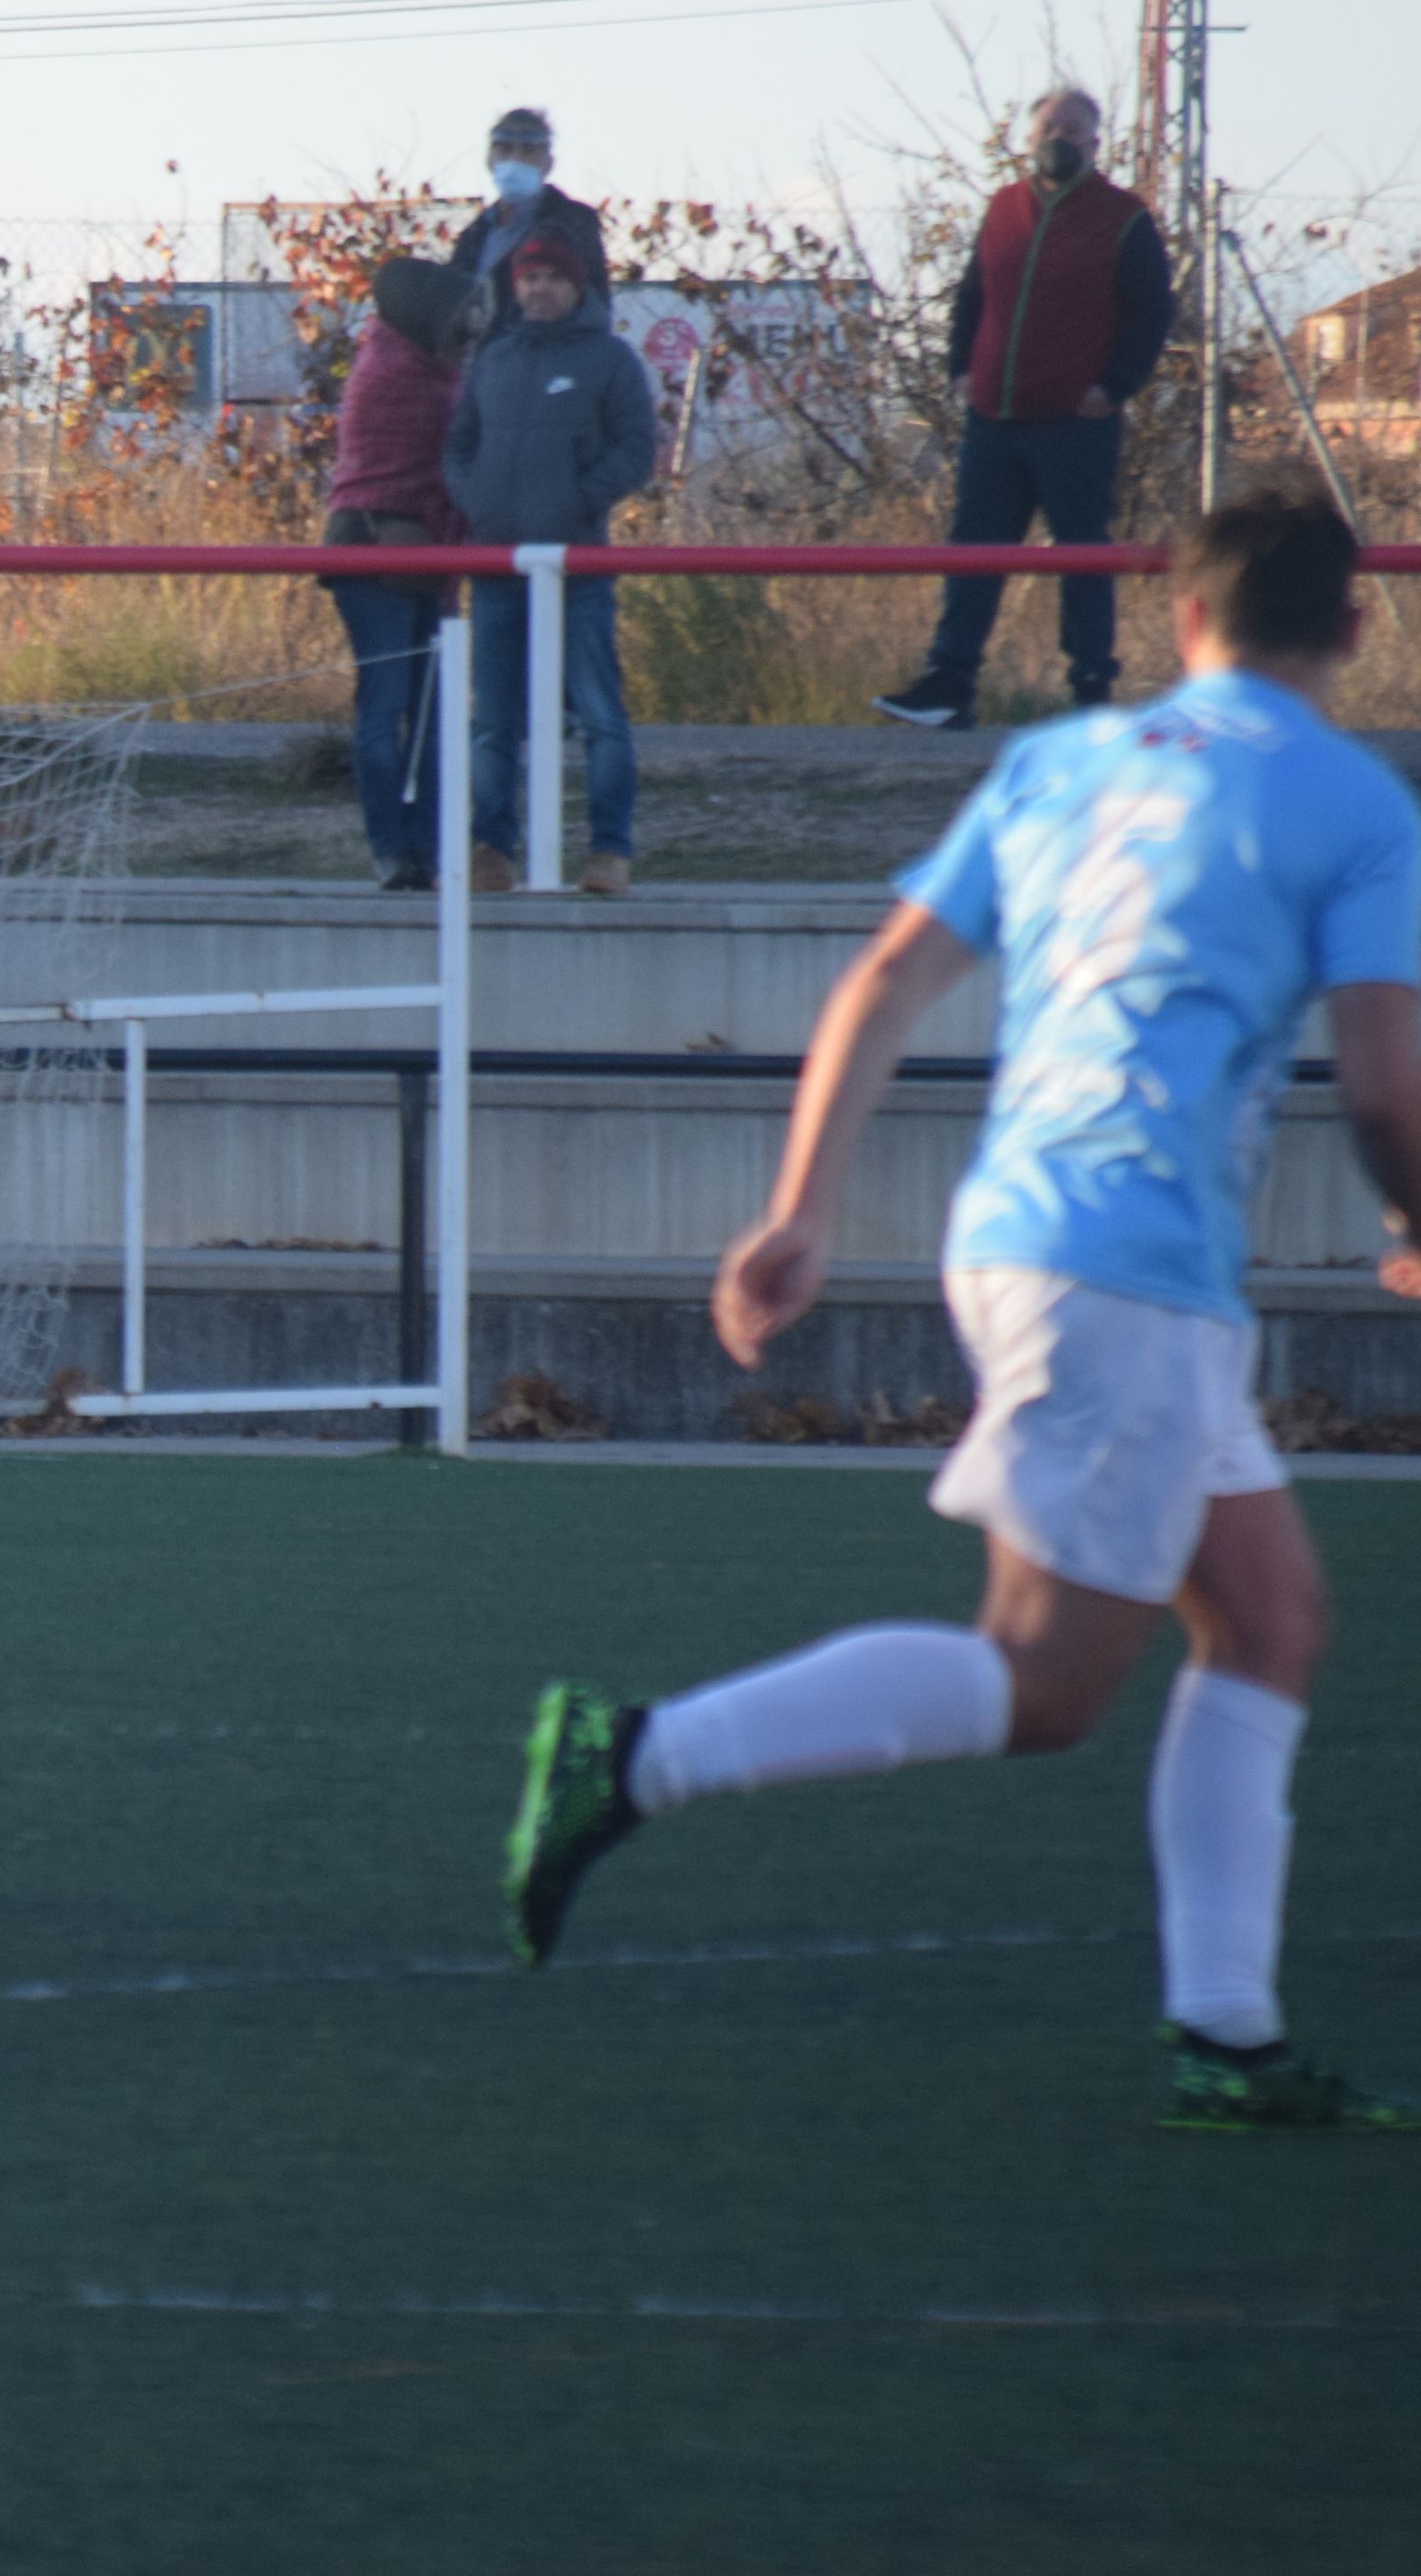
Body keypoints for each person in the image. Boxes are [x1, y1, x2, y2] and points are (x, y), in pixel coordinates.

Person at [507, 483, 1421, 2133]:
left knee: (1270, 1619)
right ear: (1353, 629)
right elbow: (1382, 1076)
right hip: (1123, 1277)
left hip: (1034, 1241)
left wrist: (798, 1215)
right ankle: (635, 1756)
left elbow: (882, 983)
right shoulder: (1354, 805)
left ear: (1182, 622)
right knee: (1042, 1684)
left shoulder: (1060, 764)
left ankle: (1227, 2035)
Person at [875, 89, 1176, 730]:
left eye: (1074, 129)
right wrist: (960, 368)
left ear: (1095, 143)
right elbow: (972, 294)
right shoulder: (1003, 208)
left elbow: (1153, 313)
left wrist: (1114, 386)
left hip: (1075, 421)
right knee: (974, 550)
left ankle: (1090, 692)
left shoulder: (1123, 218)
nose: (1060, 138)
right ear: (1029, 135)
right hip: (994, 415)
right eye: (1049, 126)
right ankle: (949, 685)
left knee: (1081, 554)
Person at [444, 232, 656, 895]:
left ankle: (608, 853)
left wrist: (575, 500)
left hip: (577, 568)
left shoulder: (609, 360)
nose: (539, 290)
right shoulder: (494, 358)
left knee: (599, 715)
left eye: (552, 279)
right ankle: (491, 850)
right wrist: (477, 499)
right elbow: (459, 445)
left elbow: (635, 450)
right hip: (498, 566)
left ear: (577, 288)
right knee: (492, 722)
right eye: (529, 278)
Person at [324, 258, 478, 892]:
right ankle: (392, 847)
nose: (468, 327)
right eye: (458, 315)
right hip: (373, 556)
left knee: (434, 715)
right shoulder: (393, 375)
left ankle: (432, 850)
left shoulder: (438, 372)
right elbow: (418, 459)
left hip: (427, 556)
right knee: (385, 711)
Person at [445, 106, 609, 340]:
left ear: (548, 163)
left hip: (547, 358)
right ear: (489, 159)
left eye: (528, 150)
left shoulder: (573, 223)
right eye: (505, 149)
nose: (515, 159)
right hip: (480, 367)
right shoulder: (474, 235)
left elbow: (595, 307)